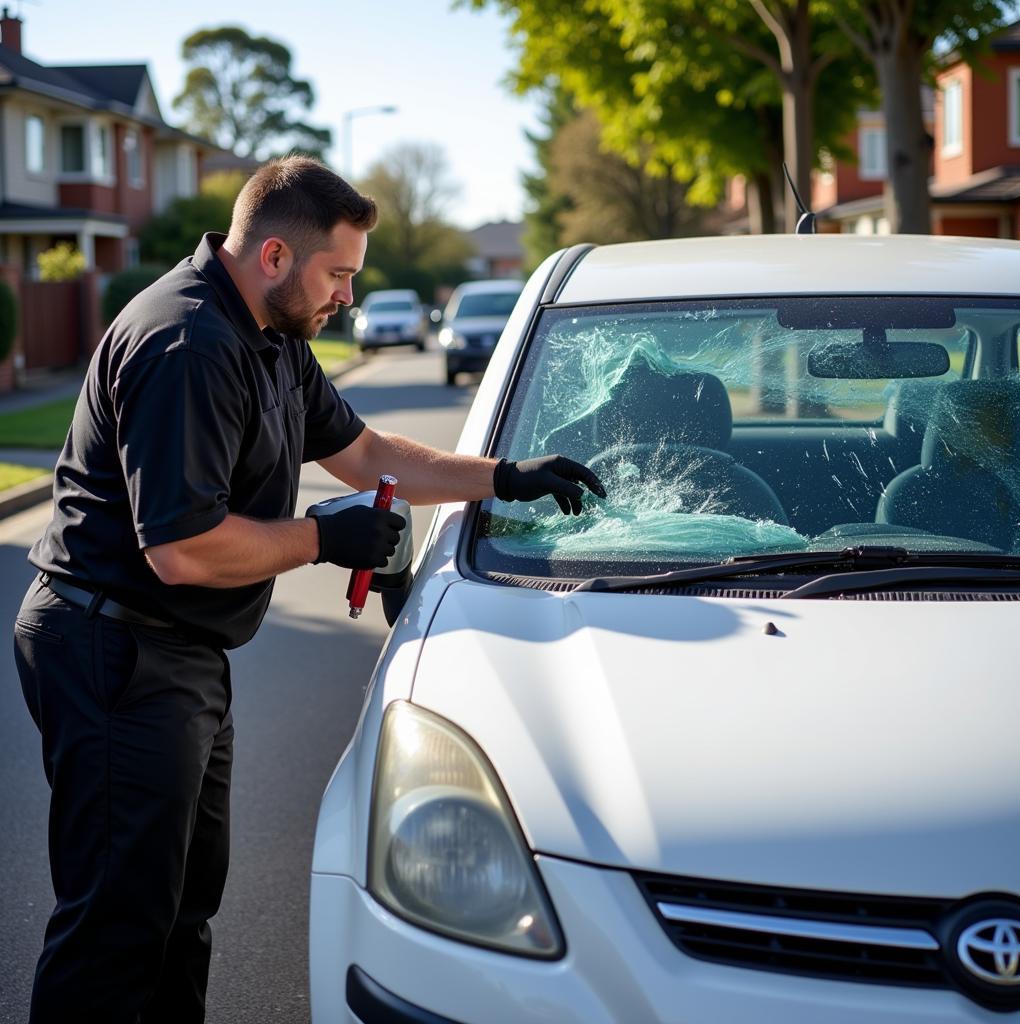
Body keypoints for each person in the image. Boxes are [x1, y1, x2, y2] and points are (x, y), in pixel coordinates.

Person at [12, 155, 605, 1024]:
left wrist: (503, 476)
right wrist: (325, 536)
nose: (350, 298)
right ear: (277, 258)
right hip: (114, 648)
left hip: (178, 652)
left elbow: (363, 456)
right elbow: (180, 549)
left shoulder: (274, 339)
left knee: (182, 913)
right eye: (341, 274)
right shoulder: (189, 344)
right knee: (117, 926)